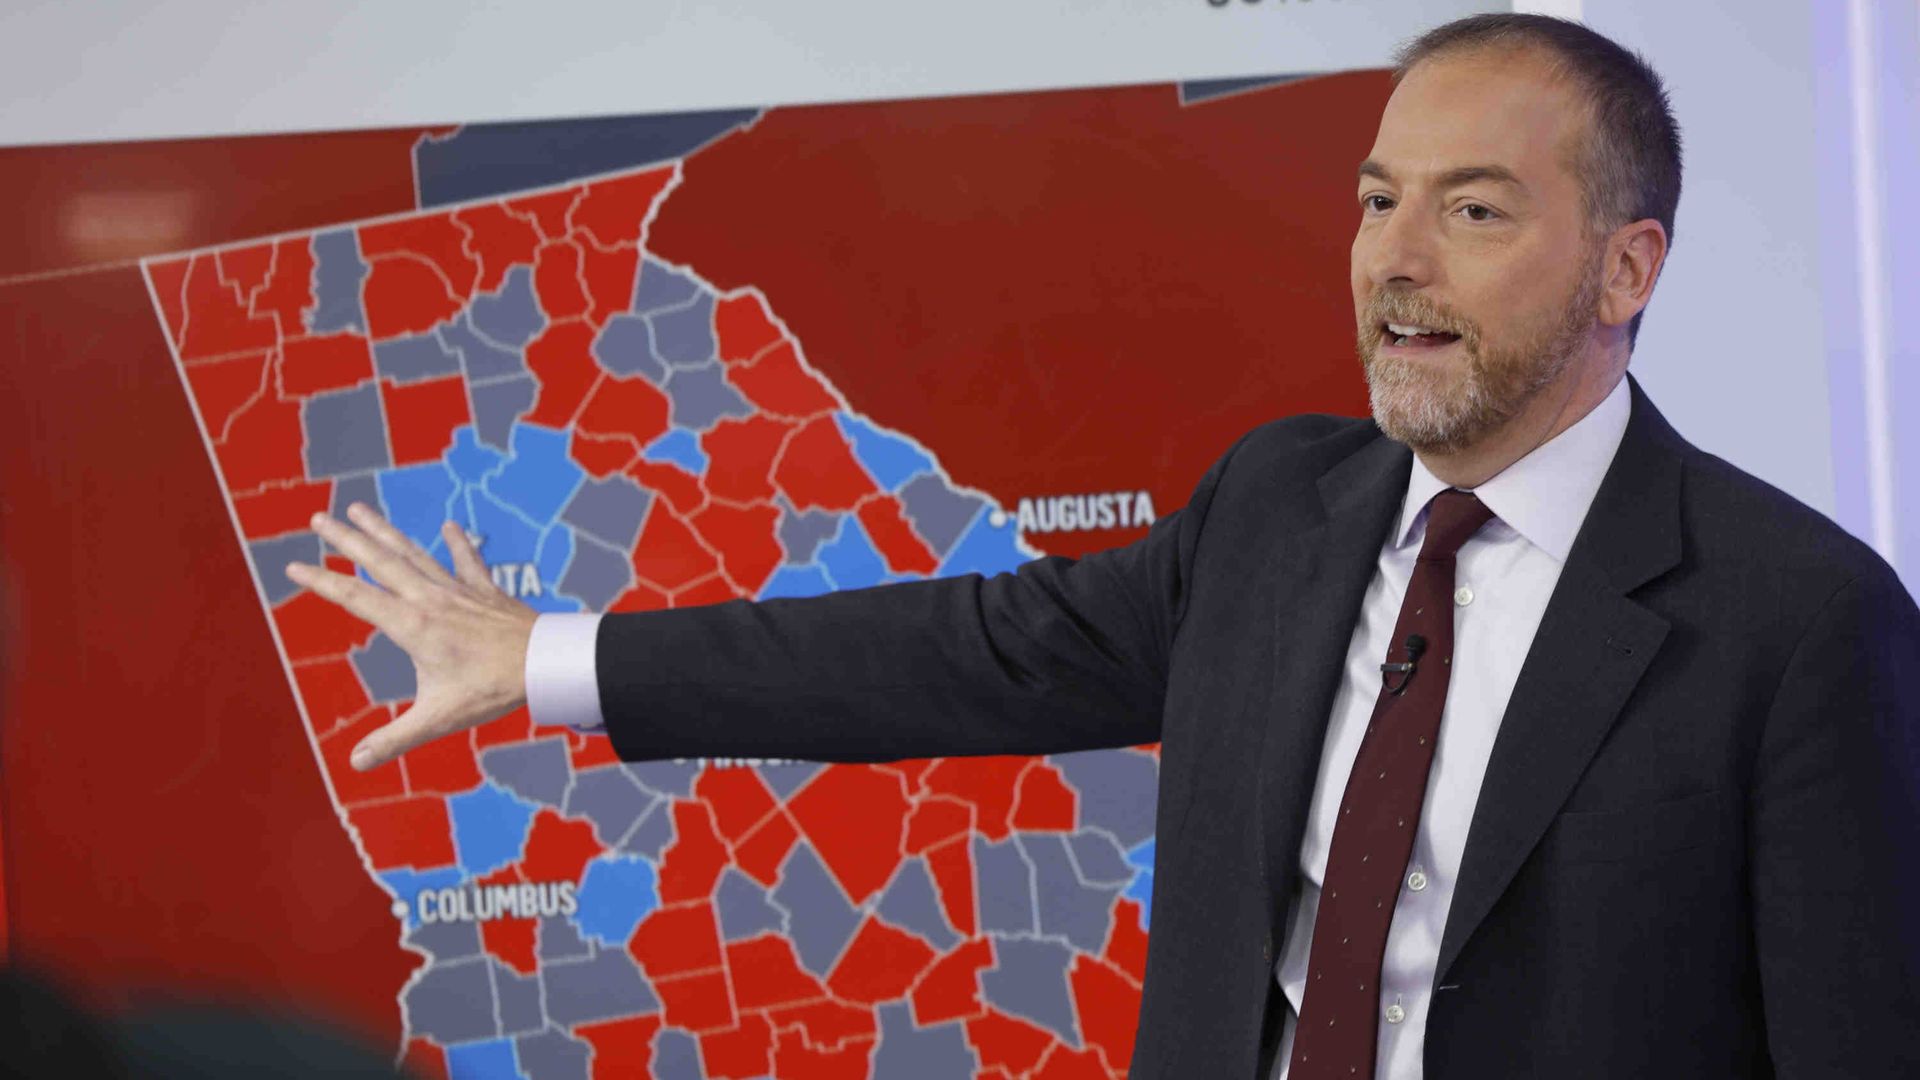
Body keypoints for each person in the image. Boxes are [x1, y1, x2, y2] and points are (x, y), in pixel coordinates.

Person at [285, 14, 1920, 1079]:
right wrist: (546, 659)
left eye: (1473, 211)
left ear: (1629, 269)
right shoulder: (1277, 510)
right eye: (1376, 199)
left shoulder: (1797, 619)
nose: (1394, 260)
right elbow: (956, 655)